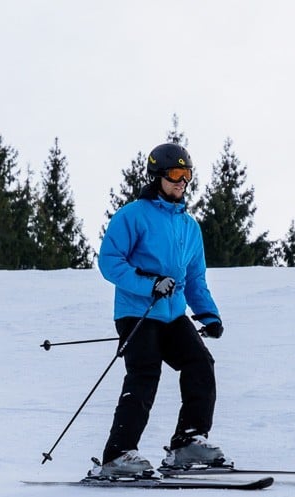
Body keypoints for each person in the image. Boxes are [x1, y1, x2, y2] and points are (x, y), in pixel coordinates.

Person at [93, 142, 228, 477]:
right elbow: (110, 262)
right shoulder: (133, 216)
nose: (182, 182)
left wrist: (209, 314)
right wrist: (148, 283)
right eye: (174, 175)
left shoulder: (189, 227)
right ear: (156, 177)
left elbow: (194, 278)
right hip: (137, 312)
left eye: (187, 175)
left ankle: (188, 441)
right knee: (144, 374)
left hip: (172, 314)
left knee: (200, 363)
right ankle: (118, 455)